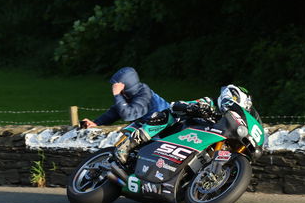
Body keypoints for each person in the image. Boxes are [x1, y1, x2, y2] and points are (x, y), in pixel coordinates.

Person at [112, 84, 252, 165]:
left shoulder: (227, 122)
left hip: (192, 145)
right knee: (169, 114)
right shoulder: (209, 103)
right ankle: (127, 146)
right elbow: (176, 106)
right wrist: (195, 108)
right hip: (175, 132)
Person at [80, 67, 169, 128]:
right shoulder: (131, 94)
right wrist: (96, 123)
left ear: (126, 85)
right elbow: (115, 111)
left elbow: (128, 115)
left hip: (165, 129)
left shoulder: (145, 95)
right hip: (150, 129)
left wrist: (117, 95)